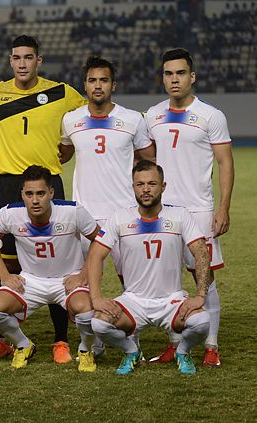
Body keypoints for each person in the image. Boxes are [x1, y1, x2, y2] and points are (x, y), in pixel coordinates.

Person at [0, 35, 87, 362]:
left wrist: (71, 146)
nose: (22, 63)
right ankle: (10, 337)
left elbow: (86, 117)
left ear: (39, 60)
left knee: (56, 262)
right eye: (17, 58)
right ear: (11, 61)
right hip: (8, 184)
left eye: (29, 58)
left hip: (48, 183)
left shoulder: (62, 92)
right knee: (8, 262)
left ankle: (61, 340)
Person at [145, 48, 234, 367]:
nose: (174, 79)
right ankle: (174, 343)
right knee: (167, 281)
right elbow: (147, 164)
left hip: (198, 212)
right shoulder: (152, 115)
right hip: (162, 213)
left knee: (204, 279)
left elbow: (225, 163)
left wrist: (222, 208)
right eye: (168, 73)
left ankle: (211, 346)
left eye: (180, 73)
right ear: (162, 78)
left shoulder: (211, 115)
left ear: (192, 76)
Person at [88, 160, 212, 374]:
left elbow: (200, 251)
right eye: (140, 184)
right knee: (99, 324)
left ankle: (183, 351)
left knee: (202, 322)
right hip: (133, 301)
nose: (146, 189)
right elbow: (95, 256)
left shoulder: (180, 215)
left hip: (171, 300)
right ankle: (130, 350)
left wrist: (201, 295)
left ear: (163, 186)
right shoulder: (120, 217)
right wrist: (97, 298)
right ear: (133, 187)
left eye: (152, 184)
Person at [0, 166, 100, 370]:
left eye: (40, 193)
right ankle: (23, 345)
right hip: (31, 281)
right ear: (22, 194)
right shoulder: (10, 214)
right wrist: (5, 275)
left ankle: (85, 349)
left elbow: (100, 240)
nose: (35, 200)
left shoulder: (72, 211)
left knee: (86, 311)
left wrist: (83, 274)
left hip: (66, 281)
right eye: (29, 194)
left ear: (51, 193)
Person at [60, 56, 155, 276]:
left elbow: (149, 159)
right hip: (85, 214)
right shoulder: (70, 120)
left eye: (103, 80)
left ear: (113, 85)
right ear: (85, 85)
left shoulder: (132, 119)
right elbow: (64, 152)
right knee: (83, 279)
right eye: (92, 80)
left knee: (132, 278)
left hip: (124, 210)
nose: (97, 85)